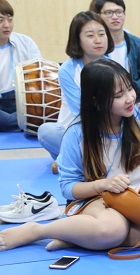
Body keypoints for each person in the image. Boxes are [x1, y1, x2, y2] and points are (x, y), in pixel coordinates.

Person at [0, 59, 140, 252]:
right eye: (118, 95)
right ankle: (38, 230)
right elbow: (68, 188)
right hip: (95, 199)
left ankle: (81, 236)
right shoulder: (77, 132)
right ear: (97, 101)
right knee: (113, 227)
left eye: (129, 88)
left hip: (136, 199)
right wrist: (103, 184)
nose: (130, 98)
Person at [37, 11, 113, 171]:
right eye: (90, 35)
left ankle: (72, 163)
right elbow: (81, 110)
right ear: (77, 39)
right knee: (46, 131)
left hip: (110, 128)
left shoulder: (114, 65)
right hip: (78, 129)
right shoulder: (68, 69)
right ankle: (80, 160)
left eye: (101, 34)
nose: (98, 40)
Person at [90, 0, 140, 113]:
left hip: (134, 98)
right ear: (99, 16)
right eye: (108, 12)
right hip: (109, 100)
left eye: (119, 12)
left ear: (124, 14)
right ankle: (131, 112)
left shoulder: (139, 45)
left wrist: (126, 88)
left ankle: (131, 110)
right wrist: (118, 91)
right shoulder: (97, 46)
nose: (115, 17)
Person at [0, 0, 41, 132]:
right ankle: (23, 122)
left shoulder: (25, 42)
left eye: (10, 19)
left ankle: (19, 121)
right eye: (0, 20)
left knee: (39, 110)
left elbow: (39, 75)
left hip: (21, 100)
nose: (7, 25)